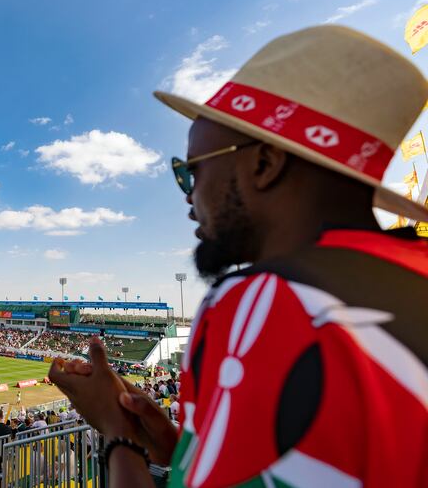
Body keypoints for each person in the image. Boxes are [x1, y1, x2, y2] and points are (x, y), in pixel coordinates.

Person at [49, 25, 428, 487]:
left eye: (192, 171)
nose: (188, 197)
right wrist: (181, 448)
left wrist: (116, 433)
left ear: (264, 164)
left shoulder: (263, 303)